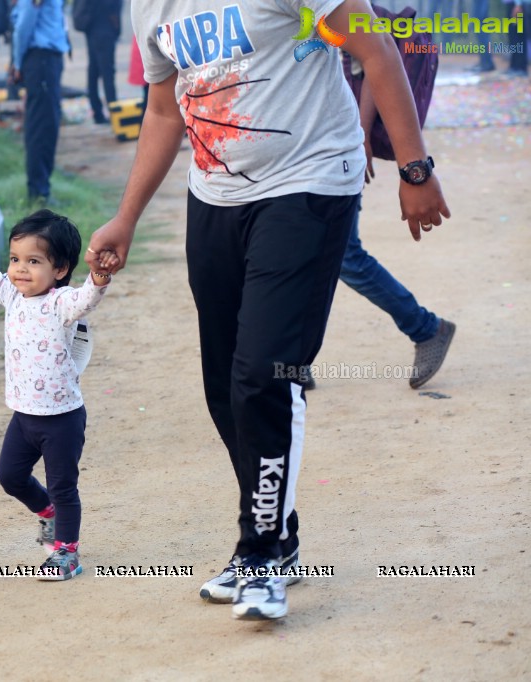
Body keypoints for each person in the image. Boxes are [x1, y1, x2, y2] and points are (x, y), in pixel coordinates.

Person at [86, 0, 450, 620]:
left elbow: (376, 50)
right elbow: (161, 111)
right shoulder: (147, 6)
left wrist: (415, 170)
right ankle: (276, 535)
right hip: (216, 196)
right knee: (224, 385)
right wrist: (127, 217)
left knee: (265, 376)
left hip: (308, 184)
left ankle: (258, 557)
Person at [0, 210, 115, 580]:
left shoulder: (61, 303)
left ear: (59, 270)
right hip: (24, 416)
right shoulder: (11, 295)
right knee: (10, 476)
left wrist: (100, 276)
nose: (20, 270)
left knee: (63, 487)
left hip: (62, 418)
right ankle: (47, 514)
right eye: (15, 259)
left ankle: (67, 552)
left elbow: (88, 299)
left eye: (33, 261)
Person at [333, 52, 455, 391]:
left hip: (330, 145)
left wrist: (361, 131)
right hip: (290, 151)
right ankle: (291, 360)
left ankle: (426, 328)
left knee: (344, 254)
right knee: (301, 253)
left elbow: (373, 56)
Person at [10, 0, 69, 204]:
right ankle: (39, 190)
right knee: (42, 127)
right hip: (41, 58)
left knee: (48, 124)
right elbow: (24, 25)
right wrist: (17, 63)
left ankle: (42, 185)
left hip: (46, 59)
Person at [73, 0, 122, 125]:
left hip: (92, 28)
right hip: (104, 28)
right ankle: (114, 114)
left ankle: (97, 112)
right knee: (107, 73)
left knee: (93, 71)